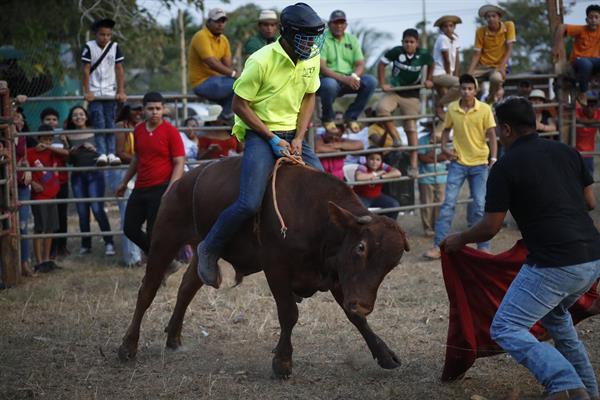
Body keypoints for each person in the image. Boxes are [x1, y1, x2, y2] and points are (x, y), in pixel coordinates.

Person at [442, 96, 600, 400]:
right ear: (535, 122)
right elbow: (590, 203)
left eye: (499, 130)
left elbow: (491, 226)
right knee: (558, 322)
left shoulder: (505, 166)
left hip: (555, 262)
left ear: (506, 129)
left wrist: (459, 238)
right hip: (592, 257)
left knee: (506, 328)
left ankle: (564, 382)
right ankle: (589, 394)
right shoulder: (567, 151)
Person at [196, 2, 326, 288]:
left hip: (295, 134)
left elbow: (309, 97)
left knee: (324, 192)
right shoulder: (261, 60)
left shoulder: (311, 59)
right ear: (289, 34)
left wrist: (300, 138)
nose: (313, 44)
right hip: (260, 132)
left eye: (315, 37)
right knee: (249, 202)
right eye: (307, 37)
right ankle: (209, 247)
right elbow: (239, 104)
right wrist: (271, 138)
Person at [424, 74, 497, 260]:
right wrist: (444, 149)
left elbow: (492, 135)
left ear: (475, 90)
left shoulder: (485, 109)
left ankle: (483, 247)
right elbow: (446, 129)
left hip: (480, 162)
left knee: (480, 204)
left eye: (470, 88)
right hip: (458, 162)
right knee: (448, 204)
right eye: (463, 88)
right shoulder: (453, 109)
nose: (466, 91)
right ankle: (438, 246)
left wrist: (493, 158)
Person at [115, 92, 185, 256]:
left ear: (163, 109)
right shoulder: (138, 129)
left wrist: (171, 188)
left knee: (154, 232)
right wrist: (124, 182)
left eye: (158, 108)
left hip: (162, 187)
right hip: (140, 187)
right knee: (130, 229)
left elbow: (179, 162)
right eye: (151, 108)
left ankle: (158, 265)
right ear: (143, 110)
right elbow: (137, 158)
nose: (155, 112)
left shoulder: (171, 131)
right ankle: (163, 260)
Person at [376, 28, 434, 178]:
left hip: (412, 95)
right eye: (406, 42)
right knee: (381, 108)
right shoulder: (396, 51)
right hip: (394, 91)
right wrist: (383, 83)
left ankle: (413, 166)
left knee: (411, 128)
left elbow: (431, 63)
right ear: (402, 42)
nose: (409, 44)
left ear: (417, 43)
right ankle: (396, 138)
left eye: (412, 42)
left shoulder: (423, 54)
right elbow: (381, 64)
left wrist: (429, 79)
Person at [65, 106, 115, 256]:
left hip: (95, 173)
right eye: (75, 115)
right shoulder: (67, 134)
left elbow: (105, 152)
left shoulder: (95, 131)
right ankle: (86, 245)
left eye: (81, 114)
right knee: (82, 211)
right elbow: (67, 159)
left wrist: (94, 148)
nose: (78, 117)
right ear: (71, 118)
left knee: (97, 208)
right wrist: (69, 149)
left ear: (86, 116)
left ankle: (109, 242)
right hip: (77, 175)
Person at [318, 9, 377, 134]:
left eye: (341, 22)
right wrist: (344, 79)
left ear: (346, 25)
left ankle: (351, 116)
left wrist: (354, 77)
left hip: (350, 79)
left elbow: (360, 63)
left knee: (371, 81)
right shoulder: (322, 39)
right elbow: (322, 67)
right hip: (330, 79)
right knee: (329, 85)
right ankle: (328, 118)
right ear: (329, 24)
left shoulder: (352, 39)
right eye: (335, 22)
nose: (339, 25)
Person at [81, 18, 125, 167]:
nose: (105, 38)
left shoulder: (115, 47)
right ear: (96, 34)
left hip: (110, 92)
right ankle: (101, 153)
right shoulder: (89, 47)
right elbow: (86, 70)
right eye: (102, 34)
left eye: (108, 35)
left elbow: (119, 70)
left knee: (110, 123)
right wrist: (87, 91)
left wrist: (121, 91)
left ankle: (111, 153)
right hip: (94, 92)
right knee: (99, 123)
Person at [26, 125, 68, 272]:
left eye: (50, 139)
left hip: (52, 195)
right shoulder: (30, 153)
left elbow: (66, 153)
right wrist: (32, 182)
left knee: (50, 229)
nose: (47, 142)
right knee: (40, 229)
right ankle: (39, 262)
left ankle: (46, 259)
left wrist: (49, 147)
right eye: (44, 139)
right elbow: (22, 170)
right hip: (39, 197)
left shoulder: (53, 153)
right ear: (38, 139)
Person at [189, 8, 236, 120]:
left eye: (223, 21)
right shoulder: (201, 36)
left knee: (242, 86)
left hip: (217, 81)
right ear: (208, 22)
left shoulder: (223, 39)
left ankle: (223, 118)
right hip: (201, 83)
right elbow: (212, 63)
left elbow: (227, 65)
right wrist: (234, 74)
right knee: (239, 86)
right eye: (217, 21)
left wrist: (233, 74)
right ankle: (225, 117)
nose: (220, 24)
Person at [553, 4, 600, 106]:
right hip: (579, 61)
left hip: (595, 61)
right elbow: (561, 27)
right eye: (591, 17)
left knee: (591, 64)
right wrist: (556, 48)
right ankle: (583, 93)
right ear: (586, 20)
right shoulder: (581, 29)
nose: (593, 20)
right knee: (586, 64)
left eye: (596, 17)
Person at [467, 5, 516, 103]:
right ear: (485, 19)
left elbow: (510, 49)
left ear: (499, 17)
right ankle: (472, 102)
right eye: (488, 17)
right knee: (466, 81)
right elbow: (477, 54)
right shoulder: (480, 31)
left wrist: (502, 67)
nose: (491, 19)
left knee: (496, 79)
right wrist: (470, 72)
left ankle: (490, 98)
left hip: (498, 67)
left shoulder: (509, 26)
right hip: (482, 67)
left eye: (493, 16)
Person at [115, 103, 143, 267]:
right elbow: (120, 151)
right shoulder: (122, 126)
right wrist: (141, 160)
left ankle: (140, 254)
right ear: (127, 110)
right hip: (125, 171)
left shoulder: (143, 126)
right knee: (128, 214)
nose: (138, 112)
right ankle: (132, 258)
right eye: (135, 108)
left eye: (141, 109)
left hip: (142, 171)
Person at [39, 107, 70, 258]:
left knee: (62, 213)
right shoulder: (37, 137)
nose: (51, 122)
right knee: (50, 216)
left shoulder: (61, 136)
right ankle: (50, 249)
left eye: (54, 119)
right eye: (48, 119)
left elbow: (69, 155)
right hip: (46, 182)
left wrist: (64, 141)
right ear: (42, 122)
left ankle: (62, 246)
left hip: (62, 180)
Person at [418, 123, 449, 237]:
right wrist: (437, 157)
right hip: (425, 176)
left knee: (440, 202)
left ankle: (437, 226)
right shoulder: (422, 140)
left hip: (441, 176)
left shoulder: (445, 140)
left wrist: (430, 156)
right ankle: (427, 228)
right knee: (427, 203)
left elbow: (446, 156)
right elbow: (421, 158)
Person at [13, 109, 34, 276]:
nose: (19, 121)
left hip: (21, 186)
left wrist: (28, 169)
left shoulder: (22, 137)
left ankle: (24, 262)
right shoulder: (4, 138)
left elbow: (25, 158)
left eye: (20, 118)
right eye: (15, 117)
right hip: (6, 185)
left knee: (23, 225)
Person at [353, 149, 401, 220]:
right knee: (361, 214)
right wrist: (376, 173)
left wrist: (381, 177)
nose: (375, 162)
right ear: (366, 159)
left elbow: (397, 173)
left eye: (378, 159)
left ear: (381, 160)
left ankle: (388, 225)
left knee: (395, 205)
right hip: (362, 196)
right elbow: (359, 177)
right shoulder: (363, 167)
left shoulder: (382, 166)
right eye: (371, 159)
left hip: (377, 195)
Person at [315, 111, 363, 180]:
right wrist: (341, 148)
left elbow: (360, 145)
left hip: (338, 179)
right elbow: (318, 148)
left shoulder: (341, 140)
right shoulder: (319, 138)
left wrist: (339, 145)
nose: (334, 137)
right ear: (327, 129)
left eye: (337, 135)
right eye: (332, 133)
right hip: (321, 178)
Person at [432, 15, 462, 120]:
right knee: (460, 84)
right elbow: (447, 61)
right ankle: (439, 105)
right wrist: (450, 76)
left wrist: (455, 75)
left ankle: (438, 134)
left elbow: (457, 58)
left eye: (451, 26)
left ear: (454, 27)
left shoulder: (455, 38)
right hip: (438, 74)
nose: (448, 28)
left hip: (447, 74)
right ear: (441, 29)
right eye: (445, 26)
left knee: (450, 108)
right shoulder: (442, 38)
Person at [575, 91, 600, 176]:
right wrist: (594, 122)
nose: (589, 108)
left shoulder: (598, 113)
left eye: (592, 106)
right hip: (574, 152)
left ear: (596, 106)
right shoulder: (577, 112)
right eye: (587, 105)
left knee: (589, 178)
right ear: (582, 105)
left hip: (588, 154)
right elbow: (577, 119)